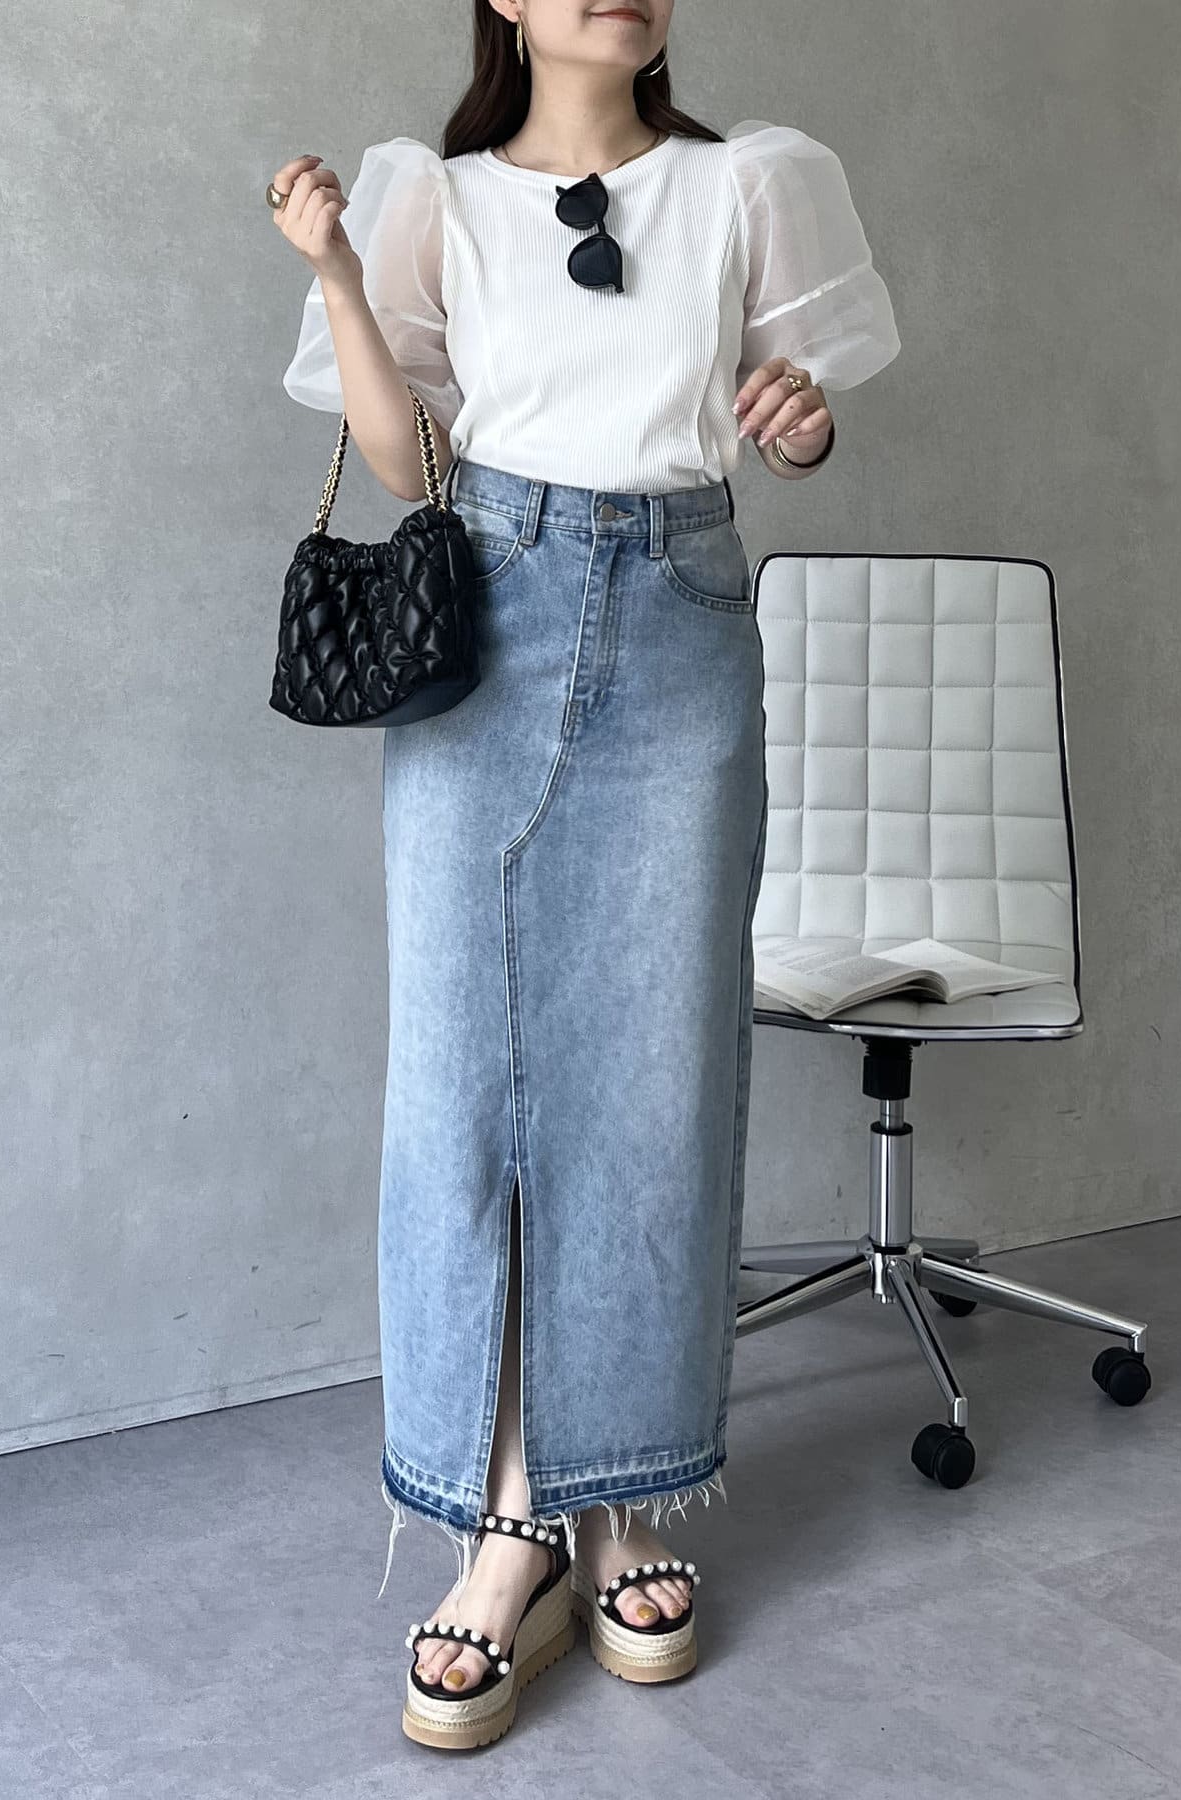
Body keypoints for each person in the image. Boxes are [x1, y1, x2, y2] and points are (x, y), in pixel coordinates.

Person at [268, 0, 899, 1751]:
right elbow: (413, 463)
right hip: (489, 624)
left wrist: (798, 423)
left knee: (650, 1082)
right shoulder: (439, 199)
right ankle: (505, 1523)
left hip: (683, 627)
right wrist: (339, 275)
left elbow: (791, 421)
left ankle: (623, 1501)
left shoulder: (745, 185)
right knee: (462, 1091)